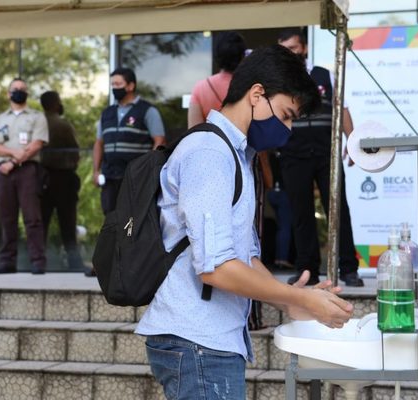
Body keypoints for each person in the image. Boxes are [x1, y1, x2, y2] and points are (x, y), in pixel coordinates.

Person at [135, 45, 353, 399]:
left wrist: (292, 301)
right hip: (197, 341)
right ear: (256, 95)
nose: (287, 129)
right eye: (285, 114)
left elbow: (245, 255)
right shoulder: (209, 153)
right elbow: (215, 267)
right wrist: (295, 299)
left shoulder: (237, 155)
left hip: (209, 340)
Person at [278, 28, 362, 287]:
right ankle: (308, 271)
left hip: (327, 152)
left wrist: (354, 142)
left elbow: (342, 107)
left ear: (303, 48)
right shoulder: (278, 80)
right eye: (285, 50)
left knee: (338, 210)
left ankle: (348, 269)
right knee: (301, 214)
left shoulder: (326, 74)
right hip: (293, 154)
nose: (290, 53)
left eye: (293, 48)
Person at [0, 77, 49, 274]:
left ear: (27, 93)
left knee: (32, 218)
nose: (18, 91)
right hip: (3, 173)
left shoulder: (37, 117)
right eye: (15, 89)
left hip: (27, 171)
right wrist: (14, 153)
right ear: (8, 93)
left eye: (22, 89)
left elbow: (36, 144)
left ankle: (38, 261)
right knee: (7, 218)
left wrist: (13, 161)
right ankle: (7, 261)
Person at [92, 67, 166, 215]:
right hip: (110, 176)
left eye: (118, 84)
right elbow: (99, 143)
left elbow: (160, 140)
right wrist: (96, 171)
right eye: (112, 85)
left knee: (133, 219)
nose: (114, 88)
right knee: (110, 219)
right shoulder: (107, 113)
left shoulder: (147, 110)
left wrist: (148, 169)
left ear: (130, 86)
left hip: (135, 176)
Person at [39, 91, 84, 271]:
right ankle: (74, 263)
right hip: (62, 178)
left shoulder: (38, 124)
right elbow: (75, 151)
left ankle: (37, 261)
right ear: (56, 104)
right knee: (68, 224)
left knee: (41, 223)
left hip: (43, 179)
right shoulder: (62, 125)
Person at [187, 31, 246, 128]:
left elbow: (193, 131)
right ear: (242, 56)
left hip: (212, 142)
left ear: (216, 55)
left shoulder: (201, 88)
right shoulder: (253, 86)